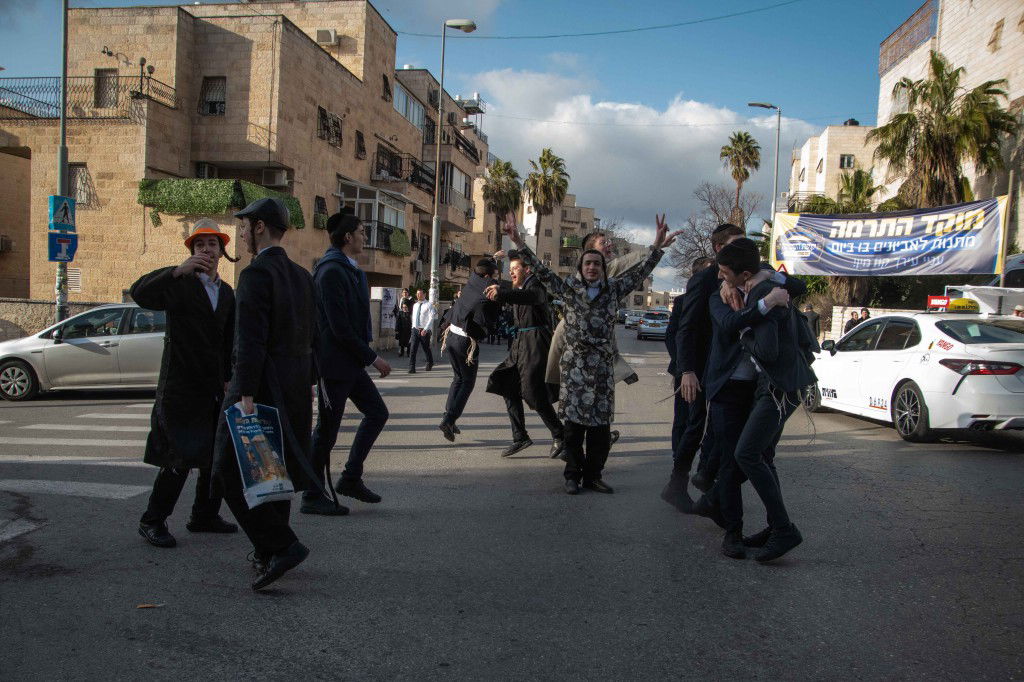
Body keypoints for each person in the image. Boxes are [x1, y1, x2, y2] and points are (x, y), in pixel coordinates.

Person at [505, 214, 680, 494]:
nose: (592, 267)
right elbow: (540, 270)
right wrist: (517, 240)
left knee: (599, 429)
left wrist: (656, 247)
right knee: (573, 427)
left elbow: (640, 272)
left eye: (596, 264)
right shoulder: (570, 290)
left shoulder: (613, 291)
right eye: (587, 263)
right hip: (575, 368)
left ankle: (594, 476)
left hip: (601, 369)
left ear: (602, 268)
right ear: (581, 267)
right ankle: (572, 476)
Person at [212, 197, 315, 591]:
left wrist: (245, 391)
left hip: (259, 386)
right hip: (293, 385)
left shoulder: (256, 275)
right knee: (275, 472)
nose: (240, 234)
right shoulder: (302, 275)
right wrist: (309, 381)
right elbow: (312, 337)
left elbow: (249, 340)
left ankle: (282, 545)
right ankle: (269, 551)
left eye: (243, 227)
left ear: (258, 228)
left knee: (226, 468)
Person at [662, 224, 802, 512]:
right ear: (719, 249)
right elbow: (685, 327)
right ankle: (678, 483)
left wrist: (766, 273)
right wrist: (685, 369)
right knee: (695, 424)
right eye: (736, 243)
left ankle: (710, 482)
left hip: (743, 370)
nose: (744, 249)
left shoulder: (754, 270)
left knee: (727, 434)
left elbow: (797, 287)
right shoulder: (705, 280)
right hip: (705, 366)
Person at [703, 238, 815, 562]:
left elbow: (766, 349)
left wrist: (749, 326)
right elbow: (727, 321)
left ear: (747, 271)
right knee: (755, 456)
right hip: (746, 389)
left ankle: (783, 529)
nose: (721, 277)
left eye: (725, 272)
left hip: (775, 389)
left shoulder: (762, 289)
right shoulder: (730, 293)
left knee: (747, 455)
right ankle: (768, 528)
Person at [132, 218, 238, 548]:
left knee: (213, 457)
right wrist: (176, 271)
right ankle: (152, 520)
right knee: (177, 459)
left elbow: (228, 339)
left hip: (211, 390)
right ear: (191, 252)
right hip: (180, 386)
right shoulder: (178, 284)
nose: (206, 250)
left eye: (212, 245)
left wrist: (227, 379)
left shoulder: (227, 293)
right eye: (199, 245)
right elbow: (140, 293)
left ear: (222, 251)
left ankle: (204, 515)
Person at [306, 211, 392, 517]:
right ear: (347, 237)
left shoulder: (348, 268)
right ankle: (312, 495)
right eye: (361, 232)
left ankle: (351, 478)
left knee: (377, 412)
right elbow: (339, 327)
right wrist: (373, 357)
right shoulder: (330, 271)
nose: (365, 237)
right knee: (326, 431)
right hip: (334, 364)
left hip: (350, 363)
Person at [484, 251, 564, 459]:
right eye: (509, 270)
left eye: (515, 269)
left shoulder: (536, 285)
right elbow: (508, 288)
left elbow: (532, 297)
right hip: (520, 344)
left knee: (533, 393)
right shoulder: (518, 287)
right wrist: (499, 263)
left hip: (536, 343)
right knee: (505, 384)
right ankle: (520, 436)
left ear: (527, 269)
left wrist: (501, 292)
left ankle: (560, 435)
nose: (511, 273)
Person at [438, 259, 500, 441]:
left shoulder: (472, 282)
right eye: (495, 276)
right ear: (488, 276)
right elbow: (488, 317)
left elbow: (481, 270)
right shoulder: (486, 289)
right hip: (465, 342)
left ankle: (448, 417)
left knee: (458, 379)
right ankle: (448, 420)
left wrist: (494, 260)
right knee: (467, 382)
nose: (496, 281)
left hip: (450, 336)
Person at [408, 289, 434, 373]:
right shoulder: (415, 305)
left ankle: (430, 362)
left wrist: (426, 329)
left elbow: (431, 318)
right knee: (413, 349)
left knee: (426, 348)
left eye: (420, 294)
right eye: (417, 294)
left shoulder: (429, 305)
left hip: (424, 331)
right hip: (415, 330)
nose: (418, 295)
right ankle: (412, 368)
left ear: (424, 294)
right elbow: (414, 317)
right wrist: (413, 328)